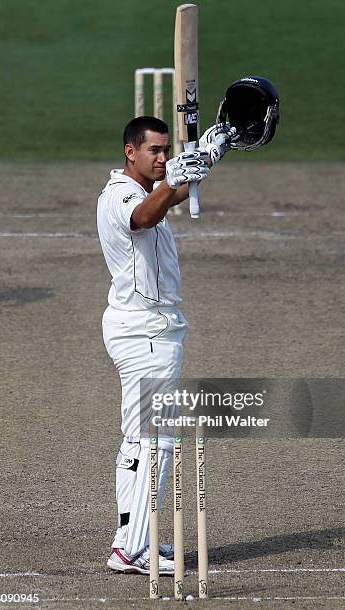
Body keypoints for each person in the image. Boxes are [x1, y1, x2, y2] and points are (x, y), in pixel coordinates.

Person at [97, 115, 235, 574]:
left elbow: (167, 197)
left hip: (147, 328)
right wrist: (173, 177)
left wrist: (211, 155)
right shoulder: (120, 196)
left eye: (165, 150)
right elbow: (144, 216)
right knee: (159, 439)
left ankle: (132, 537)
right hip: (146, 333)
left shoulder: (142, 189)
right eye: (153, 151)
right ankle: (132, 549)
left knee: (140, 440)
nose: (161, 157)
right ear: (129, 152)